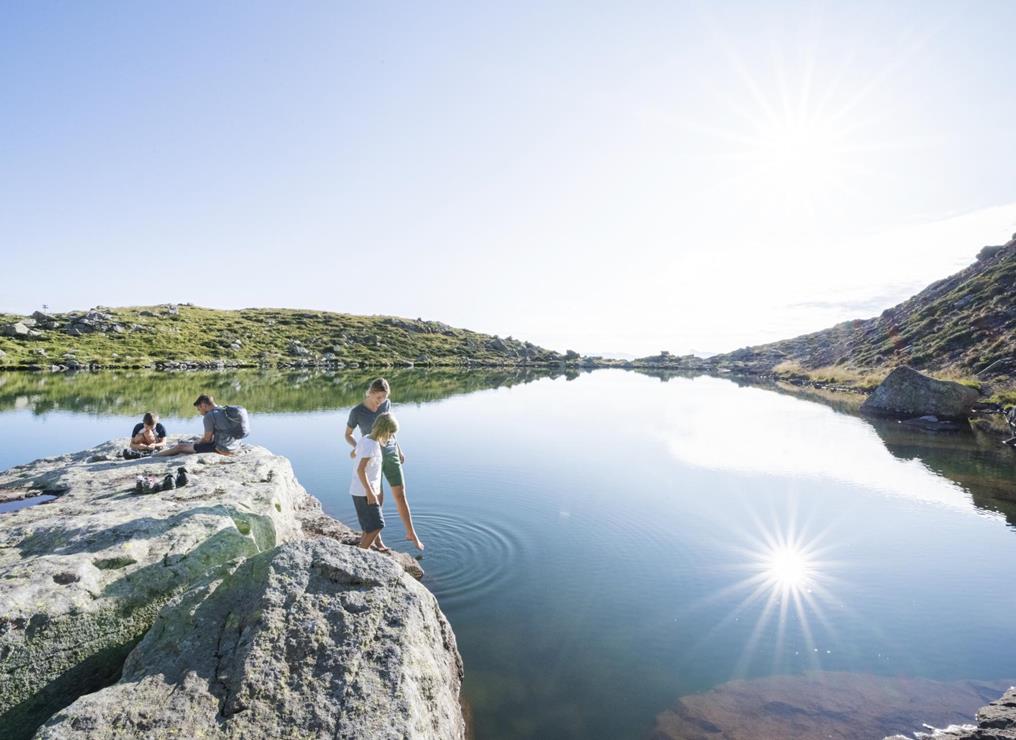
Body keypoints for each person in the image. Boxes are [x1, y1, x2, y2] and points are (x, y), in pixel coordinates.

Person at [345, 378, 424, 550]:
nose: (380, 401)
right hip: (373, 458)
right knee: (377, 498)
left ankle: (411, 533)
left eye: (384, 398)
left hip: (391, 452)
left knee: (401, 494)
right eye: (378, 397)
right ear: (370, 392)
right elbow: (348, 435)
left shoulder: (386, 405)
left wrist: (399, 449)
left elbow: (390, 428)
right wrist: (359, 448)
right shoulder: (357, 412)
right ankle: (377, 538)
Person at [350, 413, 399, 551]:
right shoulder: (371, 445)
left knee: (369, 527)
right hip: (364, 492)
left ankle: (361, 551)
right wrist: (370, 493)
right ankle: (361, 554)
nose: (390, 437)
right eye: (390, 434)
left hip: (360, 491)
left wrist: (357, 453)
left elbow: (352, 454)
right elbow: (361, 470)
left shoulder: (366, 439)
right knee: (377, 525)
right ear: (383, 430)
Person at [155, 395, 241, 457]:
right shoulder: (224, 410)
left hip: (223, 449)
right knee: (195, 441)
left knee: (180, 447)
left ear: (204, 405)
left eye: (199, 409)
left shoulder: (209, 416)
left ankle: (154, 457)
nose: (199, 413)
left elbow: (207, 439)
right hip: (235, 446)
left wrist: (195, 444)